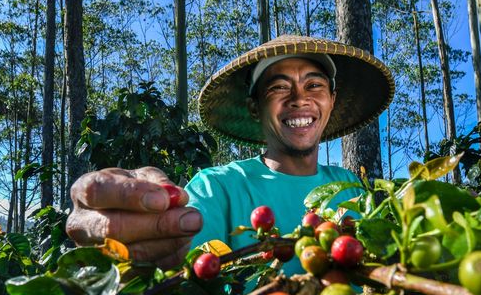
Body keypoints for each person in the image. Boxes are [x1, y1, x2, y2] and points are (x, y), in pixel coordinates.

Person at [66, 35, 394, 272]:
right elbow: (181, 257)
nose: (299, 99)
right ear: (255, 107)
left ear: (331, 101)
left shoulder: (351, 187)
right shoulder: (218, 187)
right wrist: (130, 241)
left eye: (314, 85)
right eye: (279, 87)